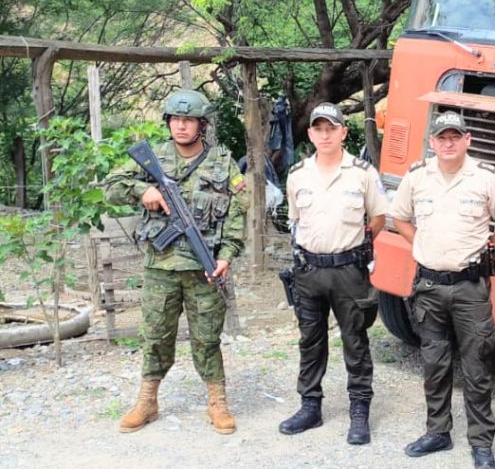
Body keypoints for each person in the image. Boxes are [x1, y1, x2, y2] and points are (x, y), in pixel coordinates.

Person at [105, 89, 248, 435]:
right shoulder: (152, 157)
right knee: (155, 335)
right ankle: (147, 400)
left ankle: (217, 402)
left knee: (207, 338)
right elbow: (111, 187)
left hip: (204, 269)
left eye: (189, 120)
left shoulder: (222, 163)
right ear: (168, 123)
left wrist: (226, 256)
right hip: (161, 267)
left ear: (201, 125)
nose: (181, 126)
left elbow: (236, 214)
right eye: (175, 120)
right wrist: (144, 192)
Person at [389, 111, 495, 469]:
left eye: (455, 137)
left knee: (476, 365)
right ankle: (437, 431)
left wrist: (488, 248)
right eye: (441, 138)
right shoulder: (417, 177)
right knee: (434, 363)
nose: (448, 143)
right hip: (429, 285)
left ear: (468, 140)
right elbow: (399, 217)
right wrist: (421, 244)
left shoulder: (486, 178)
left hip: (470, 287)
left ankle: (481, 441)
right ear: (432, 142)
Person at [278, 103, 387, 444]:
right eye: (318, 129)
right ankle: (310, 407)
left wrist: (355, 248)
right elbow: (295, 221)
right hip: (309, 270)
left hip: (348, 271)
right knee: (311, 341)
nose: (325, 135)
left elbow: (378, 219)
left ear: (343, 132)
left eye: (331, 128)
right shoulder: (297, 175)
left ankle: (359, 411)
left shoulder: (362, 172)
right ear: (310, 134)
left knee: (355, 341)